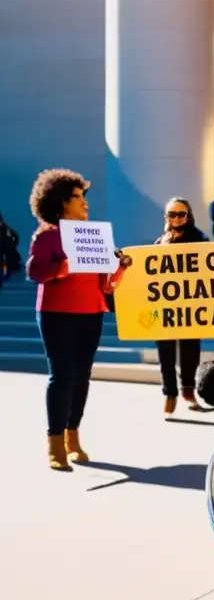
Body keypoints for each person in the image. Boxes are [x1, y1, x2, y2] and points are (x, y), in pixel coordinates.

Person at [26, 168, 132, 470]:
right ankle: (55, 444)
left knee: (82, 376)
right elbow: (35, 271)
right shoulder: (46, 236)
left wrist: (120, 268)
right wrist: (63, 267)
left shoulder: (94, 235)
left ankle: (73, 437)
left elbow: (106, 284)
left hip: (92, 311)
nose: (84, 202)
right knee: (62, 376)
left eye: (83, 196)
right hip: (57, 313)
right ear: (60, 203)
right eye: (76, 197)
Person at [155, 198, 208, 416]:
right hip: (166, 305)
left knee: (190, 351)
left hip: (190, 305)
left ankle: (188, 391)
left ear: (189, 215)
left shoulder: (199, 238)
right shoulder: (160, 242)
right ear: (166, 217)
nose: (177, 218)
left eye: (181, 214)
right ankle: (170, 393)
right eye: (172, 214)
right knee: (164, 351)